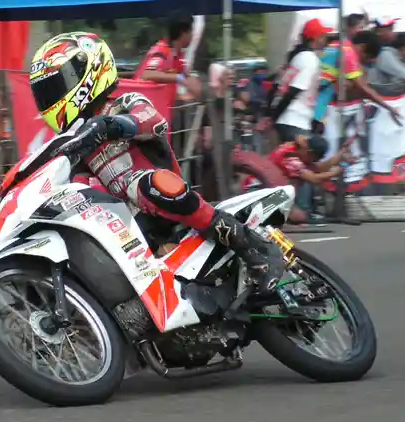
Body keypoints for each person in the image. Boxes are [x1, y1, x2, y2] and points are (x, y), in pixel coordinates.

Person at [27, 32, 285, 293]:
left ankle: (253, 247)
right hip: (130, 220)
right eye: (45, 92)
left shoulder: (124, 103)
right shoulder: (76, 141)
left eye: (56, 87)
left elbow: (154, 121)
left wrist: (109, 125)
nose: (50, 98)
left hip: (164, 198)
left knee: (152, 184)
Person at [314, 18, 401, 129]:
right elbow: (364, 88)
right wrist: (389, 107)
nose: (361, 62)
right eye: (366, 58)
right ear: (362, 47)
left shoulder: (340, 44)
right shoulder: (348, 54)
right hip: (317, 104)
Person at [268, 18, 332, 149]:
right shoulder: (310, 60)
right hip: (295, 122)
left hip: (290, 121)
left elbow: (279, 88)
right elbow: (293, 91)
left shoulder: (299, 57)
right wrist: (273, 118)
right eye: (324, 36)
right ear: (316, 38)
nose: (326, 40)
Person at [134, 11, 203, 103]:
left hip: (160, 104)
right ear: (183, 32)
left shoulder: (178, 55)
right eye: (191, 32)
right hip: (142, 104)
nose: (192, 35)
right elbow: (146, 74)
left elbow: (185, 78)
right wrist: (180, 78)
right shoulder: (162, 50)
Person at [369, 18, 405, 94]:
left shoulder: (385, 51)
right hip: (377, 94)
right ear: (379, 32)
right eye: (390, 29)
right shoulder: (384, 53)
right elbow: (401, 72)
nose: (394, 33)